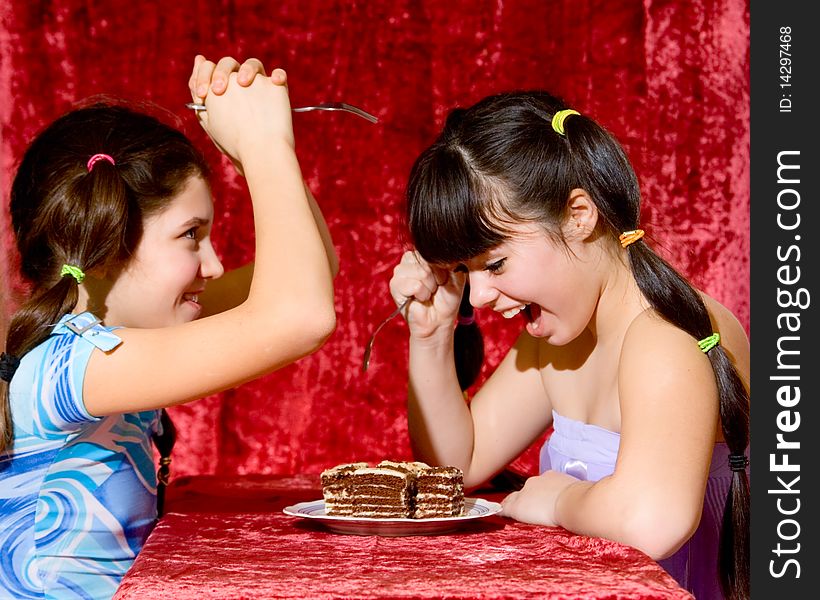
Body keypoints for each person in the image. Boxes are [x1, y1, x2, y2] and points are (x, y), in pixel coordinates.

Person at [388, 91, 750, 599]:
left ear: (579, 215)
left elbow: (655, 520)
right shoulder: (554, 339)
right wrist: (430, 336)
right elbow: (458, 467)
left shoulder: (663, 336)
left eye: (494, 264)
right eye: (463, 271)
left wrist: (560, 500)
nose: (480, 295)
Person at [0, 55, 338, 598]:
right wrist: (263, 145)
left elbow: (310, 275)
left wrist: (259, 156)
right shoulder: (74, 366)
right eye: (190, 235)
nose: (214, 266)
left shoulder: (93, 346)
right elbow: (301, 316)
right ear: (107, 241)